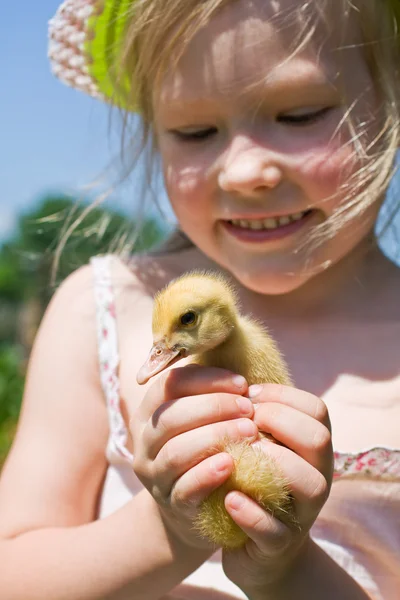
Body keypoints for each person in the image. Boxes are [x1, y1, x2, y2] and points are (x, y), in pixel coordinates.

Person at [0, 0, 399, 598]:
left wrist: (287, 569)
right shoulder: (100, 311)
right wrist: (169, 528)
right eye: (195, 131)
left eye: (300, 114)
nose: (243, 172)